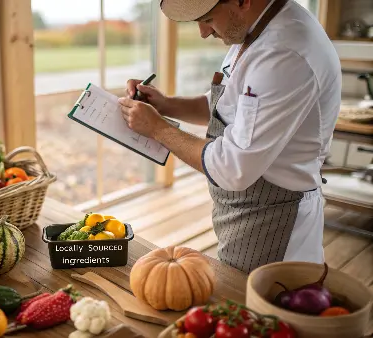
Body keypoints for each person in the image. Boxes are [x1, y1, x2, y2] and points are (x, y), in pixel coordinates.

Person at [120, 0, 341, 274]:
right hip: (247, 211)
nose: (203, 32)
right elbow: (231, 107)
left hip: (275, 221)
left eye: (209, 19)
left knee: (257, 311)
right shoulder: (254, 27)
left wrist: (158, 129)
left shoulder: (283, 53)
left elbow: (233, 168)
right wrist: (166, 105)